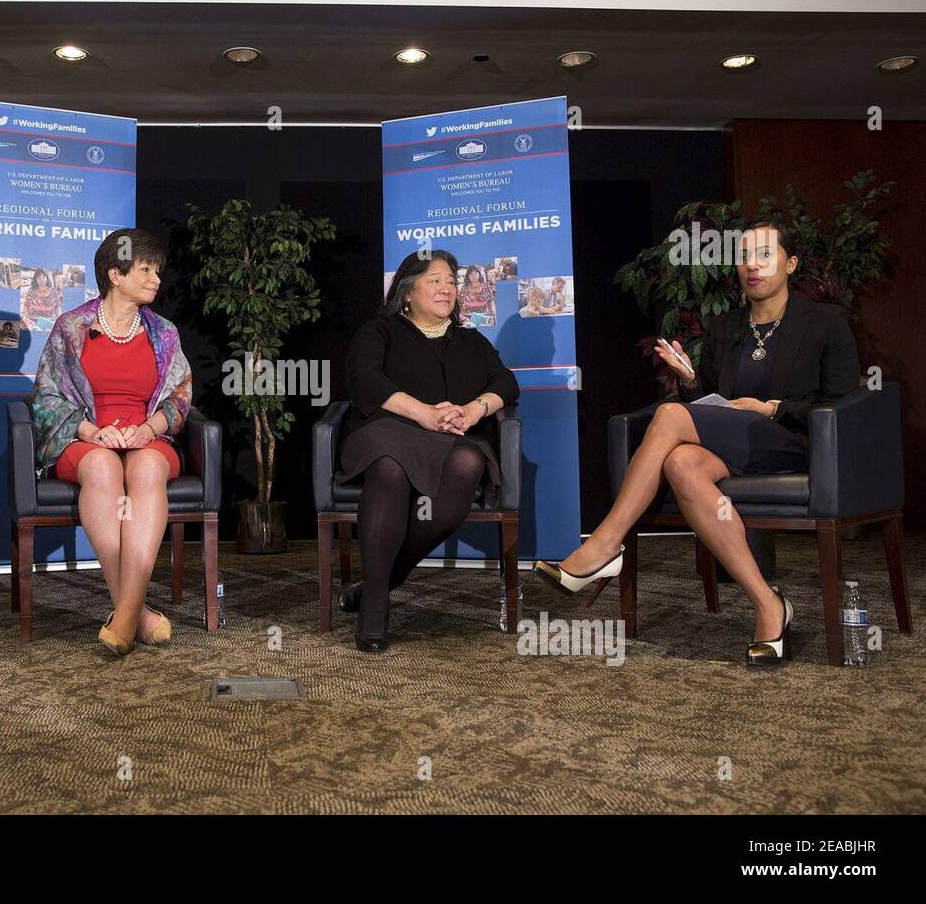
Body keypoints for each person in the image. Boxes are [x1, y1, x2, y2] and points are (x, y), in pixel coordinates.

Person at [535, 221, 859, 666]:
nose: (753, 265)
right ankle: (768, 603)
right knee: (682, 462)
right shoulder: (726, 325)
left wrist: (771, 409)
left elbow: (842, 404)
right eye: (744, 257)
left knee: (669, 415)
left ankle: (606, 544)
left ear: (791, 263)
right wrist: (690, 380)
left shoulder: (824, 322)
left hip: (791, 441)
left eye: (765, 255)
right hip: (734, 441)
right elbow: (711, 400)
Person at [336, 250, 520, 652]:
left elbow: (506, 383)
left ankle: (378, 584)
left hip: (453, 439)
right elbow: (363, 380)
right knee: (389, 469)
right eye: (435, 280)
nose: (447, 288)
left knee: (469, 461)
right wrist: (422, 414)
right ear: (407, 291)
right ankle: (373, 610)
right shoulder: (379, 332)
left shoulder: (471, 340)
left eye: (451, 281)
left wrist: (473, 411)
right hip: (389, 432)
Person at [31, 228, 191, 655]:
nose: (156, 279)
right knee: (101, 465)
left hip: (146, 437)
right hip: (85, 438)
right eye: (145, 269)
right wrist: (89, 431)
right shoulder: (71, 328)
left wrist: (149, 429)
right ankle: (134, 613)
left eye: (158, 270)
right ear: (114, 274)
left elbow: (180, 395)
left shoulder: (164, 333)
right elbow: (47, 396)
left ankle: (123, 614)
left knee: (148, 466)